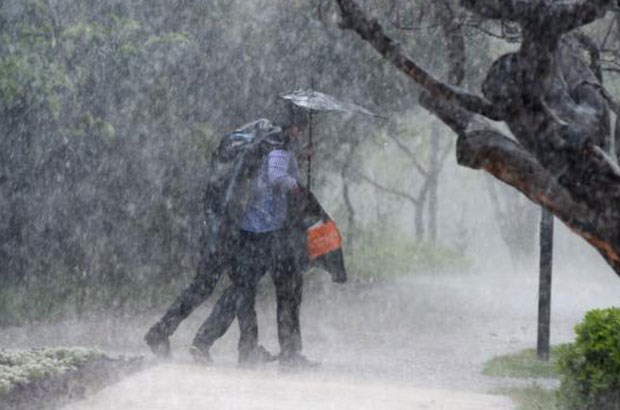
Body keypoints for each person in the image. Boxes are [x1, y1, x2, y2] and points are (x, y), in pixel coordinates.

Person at [190, 105, 318, 368]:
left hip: (253, 229)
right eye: (300, 128)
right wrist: (297, 188)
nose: (300, 133)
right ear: (295, 127)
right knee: (287, 290)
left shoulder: (272, 141)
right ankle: (289, 356)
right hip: (268, 232)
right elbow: (276, 175)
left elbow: (273, 167)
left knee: (242, 290)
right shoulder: (280, 145)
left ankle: (209, 341)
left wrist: (301, 157)